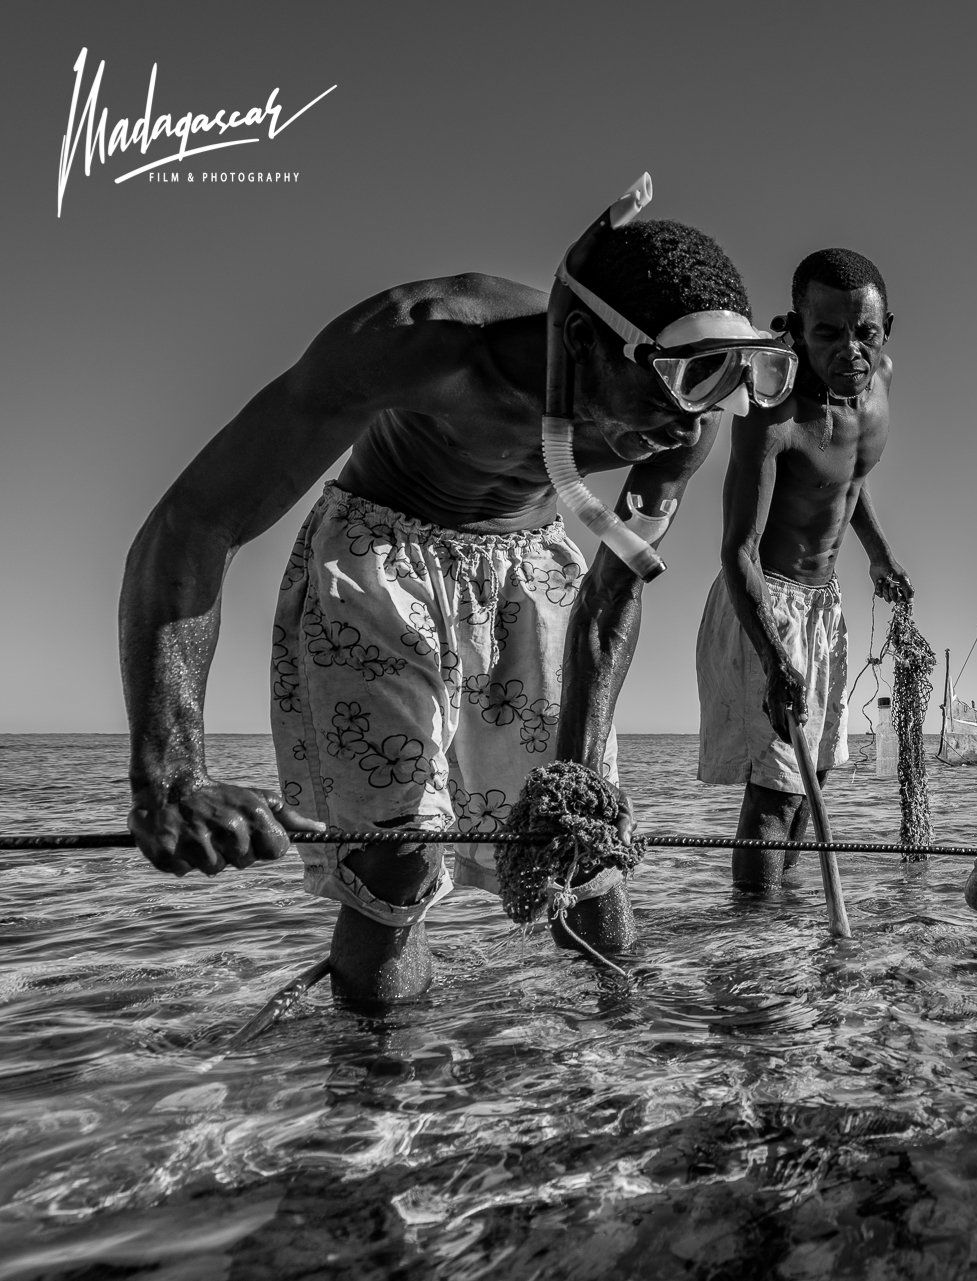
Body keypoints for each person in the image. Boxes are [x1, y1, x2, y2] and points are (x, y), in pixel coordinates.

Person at [120, 181, 797, 1005]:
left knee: (585, 853)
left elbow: (613, 592)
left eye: (721, 387)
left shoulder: (691, 409)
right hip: (380, 562)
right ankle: (381, 1073)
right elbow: (195, 523)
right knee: (396, 861)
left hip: (534, 572)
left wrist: (578, 775)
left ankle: (623, 1048)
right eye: (678, 386)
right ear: (582, 339)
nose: (691, 426)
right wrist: (170, 774)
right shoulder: (422, 341)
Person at [698, 248, 910, 884]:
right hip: (762, 604)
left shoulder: (880, 381)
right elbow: (737, 551)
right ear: (796, 328)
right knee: (775, 796)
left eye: (865, 332)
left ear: (886, 329)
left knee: (812, 781)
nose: (850, 350)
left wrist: (879, 555)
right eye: (828, 333)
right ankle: (754, 937)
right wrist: (773, 659)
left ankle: (785, 929)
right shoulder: (773, 412)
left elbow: (846, 478)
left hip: (824, 606)